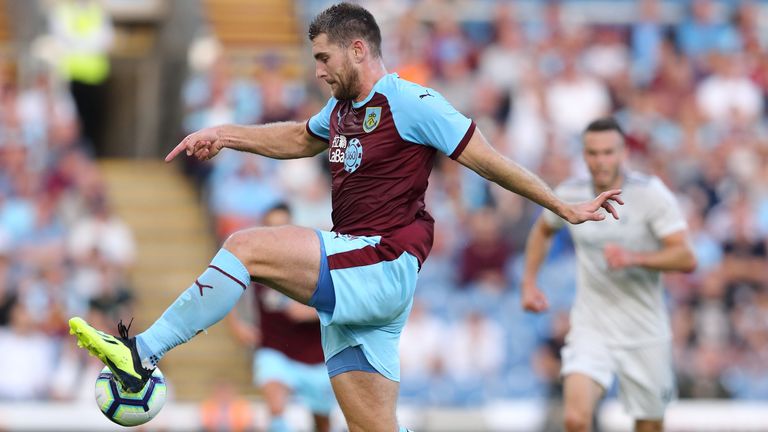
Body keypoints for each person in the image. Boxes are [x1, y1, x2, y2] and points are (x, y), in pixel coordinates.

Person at [68, 4, 622, 431]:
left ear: (357, 49)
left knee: (245, 246)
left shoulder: (412, 103)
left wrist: (561, 205)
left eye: (323, 58)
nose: (318, 71)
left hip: (381, 261)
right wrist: (225, 134)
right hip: (362, 284)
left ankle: (141, 352)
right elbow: (295, 138)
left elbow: (490, 161)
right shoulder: (340, 110)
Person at [520, 117, 697, 432]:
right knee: (575, 419)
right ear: (584, 155)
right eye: (593, 153)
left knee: (649, 425)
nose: (600, 161)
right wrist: (529, 282)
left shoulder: (650, 194)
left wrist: (635, 257)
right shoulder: (570, 193)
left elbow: (686, 257)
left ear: (623, 153)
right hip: (592, 326)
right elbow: (542, 230)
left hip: (645, 328)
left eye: (608, 152)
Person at [227, 203, 334, 432]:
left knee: (322, 422)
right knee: (276, 407)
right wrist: (237, 325)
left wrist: (312, 312)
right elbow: (225, 290)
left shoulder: (312, 261)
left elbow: (341, 300)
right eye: (271, 228)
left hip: (314, 356)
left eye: (282, 227)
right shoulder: (254, 263)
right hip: (275, 350)